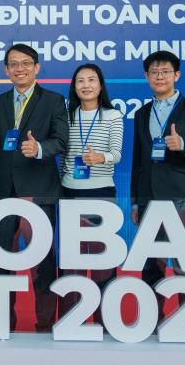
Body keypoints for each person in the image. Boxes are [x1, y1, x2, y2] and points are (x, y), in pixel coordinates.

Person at [0, 43, 69, 332]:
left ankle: (45, 322)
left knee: (43, 259)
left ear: (37, 67)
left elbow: (62, 142)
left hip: (39, 191)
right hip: (3, 192)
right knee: (1, 258)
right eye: (13, 64)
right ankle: (3, 322)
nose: (20, 69)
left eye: (26, 63)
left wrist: (40, 148)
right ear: (6, 70)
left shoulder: (54, 101)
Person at [130, 50, 185, 323]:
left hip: (181, 195)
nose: (159, 76)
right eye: (154, 72)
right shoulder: (142, 113)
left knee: (183, 259)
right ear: (147, 76)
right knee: (151, 261)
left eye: (165, 72)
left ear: (177, 75)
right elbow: (138, 160)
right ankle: (150, 319)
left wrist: (183, 145)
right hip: (149, 196)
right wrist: (135, 200)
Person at [59, 64, 123, 326]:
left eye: (91, 80)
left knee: (102, 259)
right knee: (70, 259)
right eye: (80, 81)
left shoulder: (112, 115)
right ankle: (69, 319)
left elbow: (116, 154)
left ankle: (105, 321)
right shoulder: (66, 116)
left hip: (101, 192)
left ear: (100, 85)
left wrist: (100, 158)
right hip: (69, 191)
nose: (86, 85)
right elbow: (61, 152)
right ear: (74, 87)